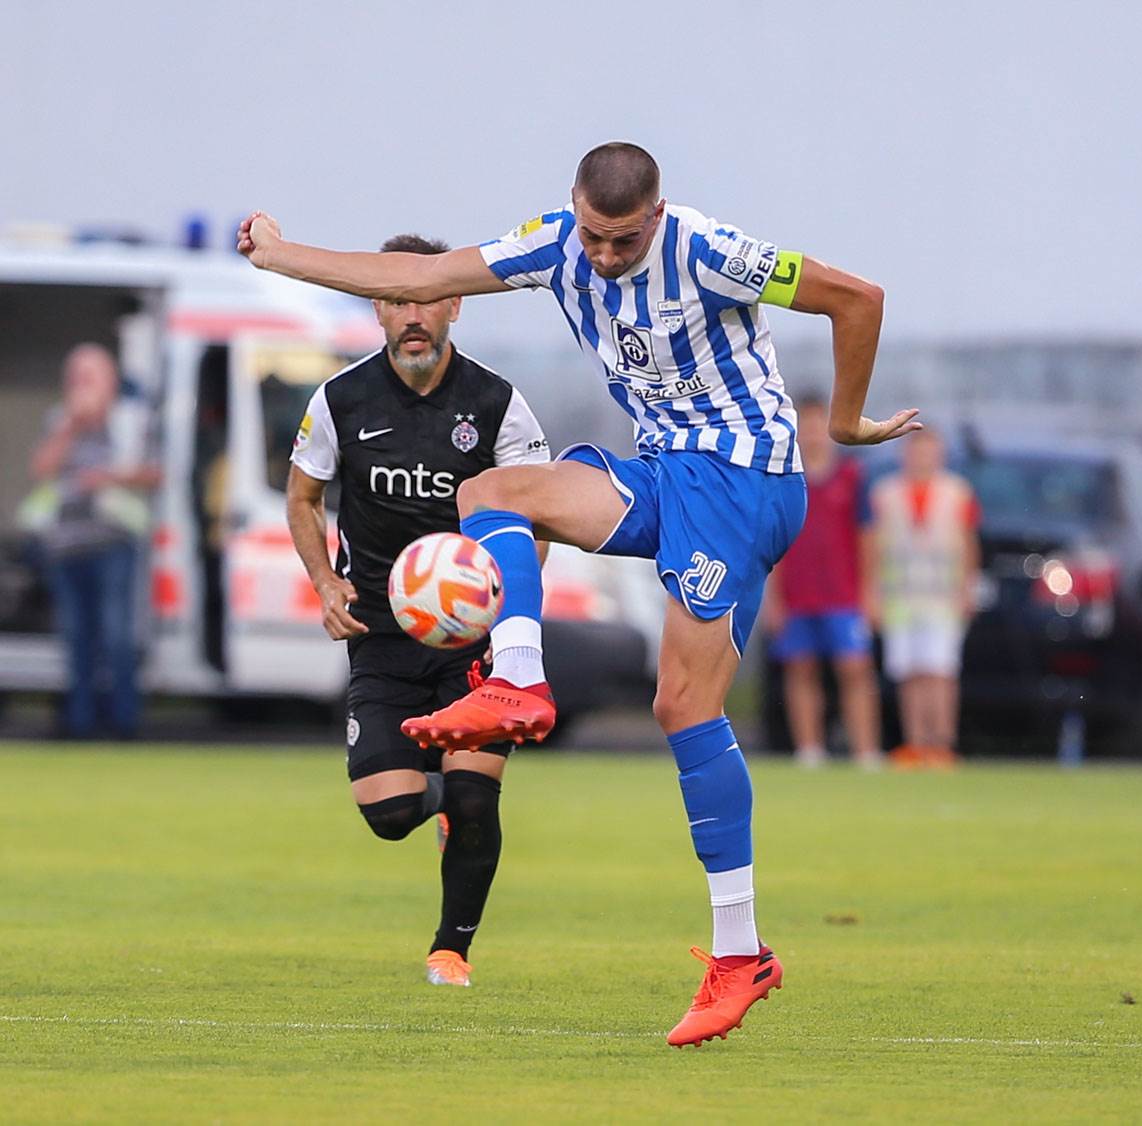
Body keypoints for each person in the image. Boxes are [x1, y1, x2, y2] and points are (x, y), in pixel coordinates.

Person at [237, 142, 921, 1047]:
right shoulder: (554, 246)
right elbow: (422, 272)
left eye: (623, 241)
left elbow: (857, 298)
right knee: (490, 493)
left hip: (743, 479)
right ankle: (516, 674)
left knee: (682, 708)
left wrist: (841, 423)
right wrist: (282, 257)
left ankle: (739, 952)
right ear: (574, 209)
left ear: (659, 214)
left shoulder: (710, 251)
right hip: (670, 473)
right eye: (595, 237)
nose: (603, 257)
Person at [285, 233, 551, 988]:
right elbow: (303, 497)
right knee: (390, 810)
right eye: (398, 298)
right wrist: (323, 581)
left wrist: (514, 623)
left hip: (475, 644)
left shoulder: (498, 404)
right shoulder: (340, 400)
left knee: (474, 796)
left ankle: (451, 950)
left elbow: (538, 519)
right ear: (376, 306)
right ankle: (439, 797)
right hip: (381, 638)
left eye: (428, 297)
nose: (414, 314)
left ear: (455, 303)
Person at [26, 344, 160, 739]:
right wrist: (70, 426)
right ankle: (80, 722)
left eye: (90, 376)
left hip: (113, 540)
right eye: (77, 377)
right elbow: (42, 468)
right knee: (76, 636)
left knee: (116, 634)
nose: (82, 385)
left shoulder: (130, 420)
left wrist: (108, 478)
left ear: (110, 380)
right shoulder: (60, 420)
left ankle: (123, 723)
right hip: (66, 545)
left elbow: (155, 472)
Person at [764, 395, 882, 768]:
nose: (812, 433)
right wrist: (773, 598)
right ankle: (809, 750)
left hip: (843, 595)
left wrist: (870, 592)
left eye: (818, 423)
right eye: (806, 425)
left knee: (854, 668)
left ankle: (865, 751)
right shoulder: (783, 479)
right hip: (798, 595)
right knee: (800, 668)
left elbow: (868, 539)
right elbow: (774, 540)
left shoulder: (852, 476)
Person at [863, 427, 980, 766]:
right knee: (909, 672)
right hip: (901, 597)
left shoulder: (957, 492)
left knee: (939, 672)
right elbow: (873, 547)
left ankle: (941, 742)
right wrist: (872, 593)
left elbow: (969, 544)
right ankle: (914, 742)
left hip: (942, 597)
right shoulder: (885, 493)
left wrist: (967, 589)